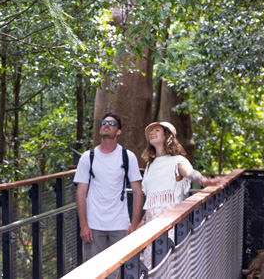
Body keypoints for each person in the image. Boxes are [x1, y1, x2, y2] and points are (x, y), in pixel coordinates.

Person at [141, 121, 226, 267]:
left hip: (171, 225)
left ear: (168, 136)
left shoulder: (177, 161)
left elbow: (190, 173)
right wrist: (142, 221)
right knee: (152, 268)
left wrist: (204, 180)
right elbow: (151, 199)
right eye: (151, 131)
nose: (152, 133)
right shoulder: (150, 165)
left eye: (157, 130)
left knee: (171, 267)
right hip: (151, 226)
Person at [74, 113, 143, 279]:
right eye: (104, 123)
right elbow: (81, 192)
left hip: (120, 225)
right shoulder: (87, 157)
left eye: (112, 123)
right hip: (94, 226)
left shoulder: (128, 157)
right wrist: (83, 225)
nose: (107, 125)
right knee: (94, 273)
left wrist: (134, 225)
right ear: (99, 129)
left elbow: (138, 191)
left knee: (122, 272)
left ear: (118, 131)